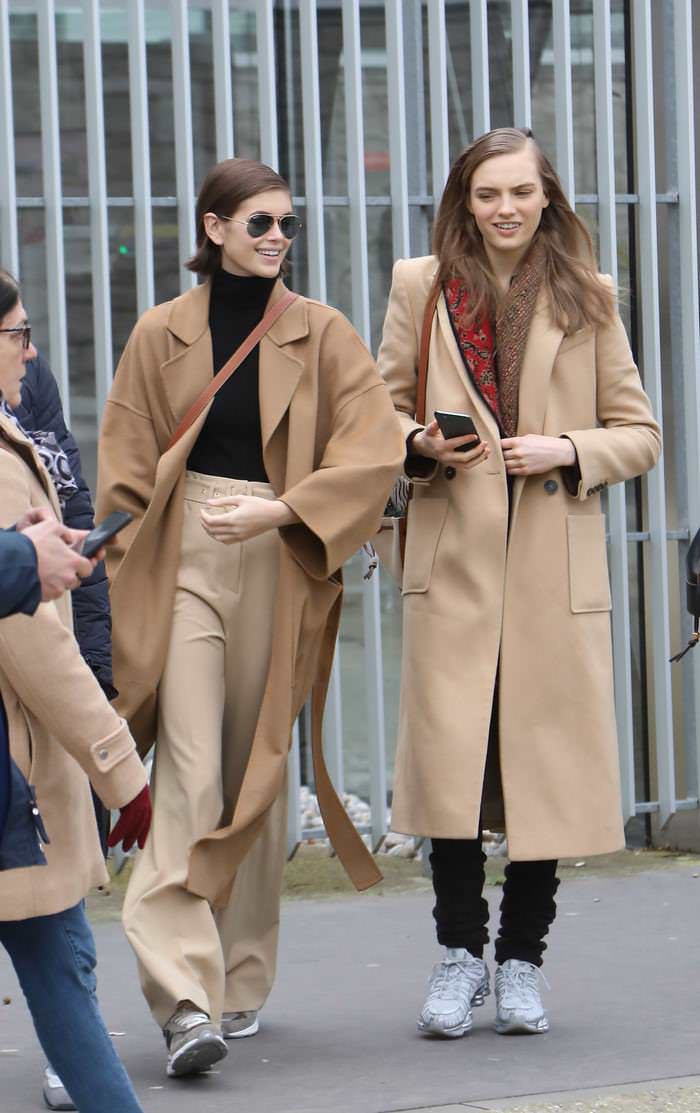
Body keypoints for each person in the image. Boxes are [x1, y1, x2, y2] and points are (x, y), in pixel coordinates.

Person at [96, 157, 404, 1078]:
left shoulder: (323, 330)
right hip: (184, 555)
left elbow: (376, 443)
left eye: (288, 225)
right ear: (214, 227)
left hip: (282, 549)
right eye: (260, 222)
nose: (277, 238)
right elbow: (122, 471)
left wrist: (286, 509)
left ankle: (237, 982)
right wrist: (130, 575)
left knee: (258, 777)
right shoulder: (161, 333)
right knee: (189, 773)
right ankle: (183, 995)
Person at [377, 128, 661, 1039]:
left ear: (547, 199)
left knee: (539, 774)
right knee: (452, 773)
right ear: (465, 198)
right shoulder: (418, 286)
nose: (504, 210)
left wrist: (567, 448)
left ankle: (525, 960)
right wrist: (419, 442)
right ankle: (461, 955)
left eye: (521, 194)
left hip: (549, 568)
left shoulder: (590, 294)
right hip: (454, 560)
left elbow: (641, 433)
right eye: (488, 194)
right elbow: (376, 415)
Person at [0, 268, 152, 1113]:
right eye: (18, 334)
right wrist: (118, 766)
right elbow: (29, 644)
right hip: (15, 779)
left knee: (61, 967)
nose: (30, 352)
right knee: (61, 968)